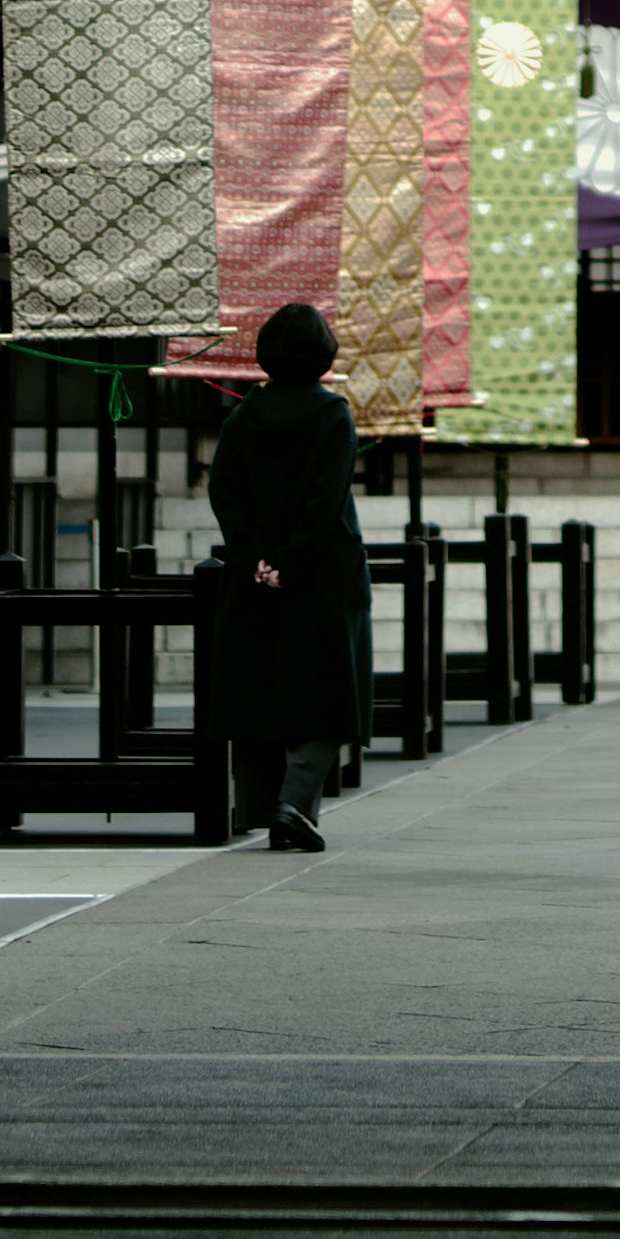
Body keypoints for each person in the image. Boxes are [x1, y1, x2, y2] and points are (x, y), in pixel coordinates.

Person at [201, 298, 371, 848]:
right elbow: (325, 501)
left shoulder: (243, 415)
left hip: (252, 575)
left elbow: (224, 489)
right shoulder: (332, 414)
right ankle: (294, 805)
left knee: (262, 685)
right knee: (327, 693)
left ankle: (257, 803)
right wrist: (291, 562)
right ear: (324, 356)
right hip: (321, 574)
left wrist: (255, 559)